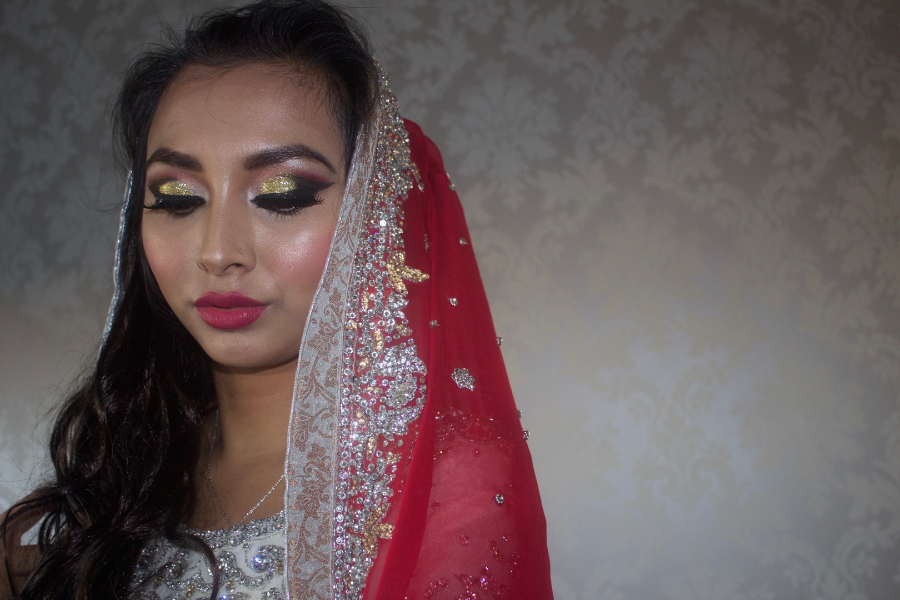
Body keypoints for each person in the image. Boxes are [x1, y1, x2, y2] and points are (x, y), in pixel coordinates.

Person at [0, 1, 553, 598]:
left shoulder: (447, 483)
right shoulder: (118, 477)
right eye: (178, 198)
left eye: (283, 194)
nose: (218, 252)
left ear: (375, 212)